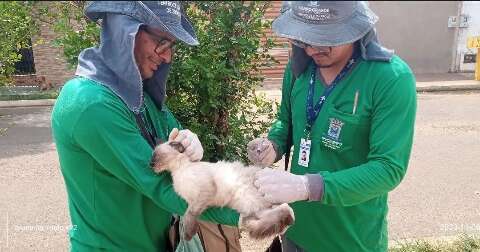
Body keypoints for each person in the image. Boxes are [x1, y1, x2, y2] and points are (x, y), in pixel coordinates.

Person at [51, 1, 239, 251]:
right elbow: (166, 187)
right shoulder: (89, 103)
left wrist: (188, 143)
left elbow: (178, 150)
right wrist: (251, 207)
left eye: (172, 46)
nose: (168, 56)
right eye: (162, 41)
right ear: (124, 30)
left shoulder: (139, 95)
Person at [248, 1, 417, 251]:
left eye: (325, 38)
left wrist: (308, 186)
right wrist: (273, 145)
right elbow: (287, 122)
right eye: (304, 39)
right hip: (296, 229)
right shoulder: (299, 68)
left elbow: (388, 168)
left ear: (354, 29)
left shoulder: (390, 78)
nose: (312, 49)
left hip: (351, 239)